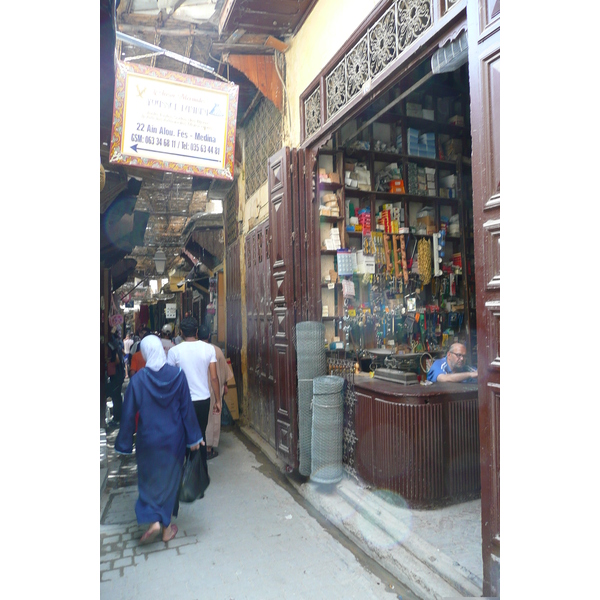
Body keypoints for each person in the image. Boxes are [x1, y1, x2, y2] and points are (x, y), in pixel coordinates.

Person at [115, 335, 204, 544]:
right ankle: (165, 530)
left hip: (148, 441)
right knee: (170, 482)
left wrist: (124, 443)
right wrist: (195, 438)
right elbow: (186, 409)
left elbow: (128, 414)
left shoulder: (137, 381)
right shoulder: (178, 376)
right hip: (174, 440)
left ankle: (153, 521)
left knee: (149, 480)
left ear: (145, 354)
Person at [167, 317, 220, 477]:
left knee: (182, 435)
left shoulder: (174, 351)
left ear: (181, 333)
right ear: (197, 332)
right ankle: (200, 473)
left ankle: (183, 472)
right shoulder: (208, 349)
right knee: (200, 434)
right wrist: (218, 400)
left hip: (181, 401)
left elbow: (170, 378)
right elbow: (214, 377)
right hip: (203, 400)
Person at [198, 325, 233, 460]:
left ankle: (198, 446)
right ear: (209, 336)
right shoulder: (217, 351)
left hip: (198, 389)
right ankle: (208, 448)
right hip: (214, 390)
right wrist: (224, 385)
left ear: (197, 335)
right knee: (213, 418)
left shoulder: (195, 350)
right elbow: (223, 372)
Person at [107, 329, 126, 425]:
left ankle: (117, 417)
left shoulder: (112, 345)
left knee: (116, 396)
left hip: (116, 373)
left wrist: (108, 363)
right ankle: (118, 416)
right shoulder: (117, 344)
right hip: (120, 373)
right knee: (117, 396)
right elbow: (123, 353)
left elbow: (117, 360)